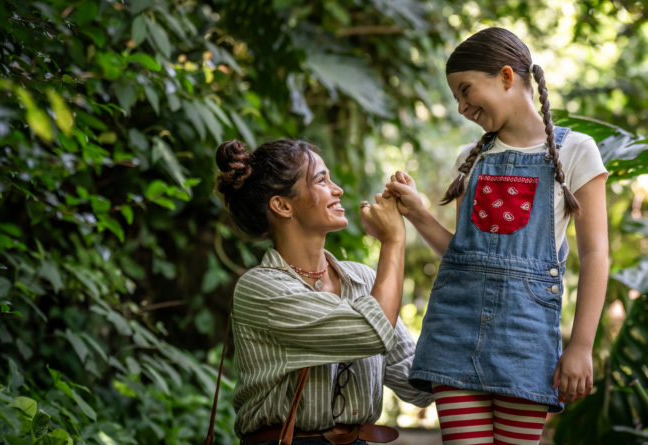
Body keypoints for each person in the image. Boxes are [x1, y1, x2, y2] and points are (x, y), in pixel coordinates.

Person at [384, 27, 609, 445]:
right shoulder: (469, 160)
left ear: (507, 76)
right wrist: (416, 212)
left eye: (466, 90)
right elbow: (462, 253)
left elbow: (595, 254)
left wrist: (581, 346)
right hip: (454, 328)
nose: (461, 106)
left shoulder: (577, 151)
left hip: (525, 340)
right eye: (455, 97)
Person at [214, 138, 433, 445]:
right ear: (282, 205)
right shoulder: (261, 289)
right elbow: (371, 332)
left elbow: (417, 385)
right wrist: (393, 242)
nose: (337, 189)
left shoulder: (365, 280)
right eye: (321, 180)